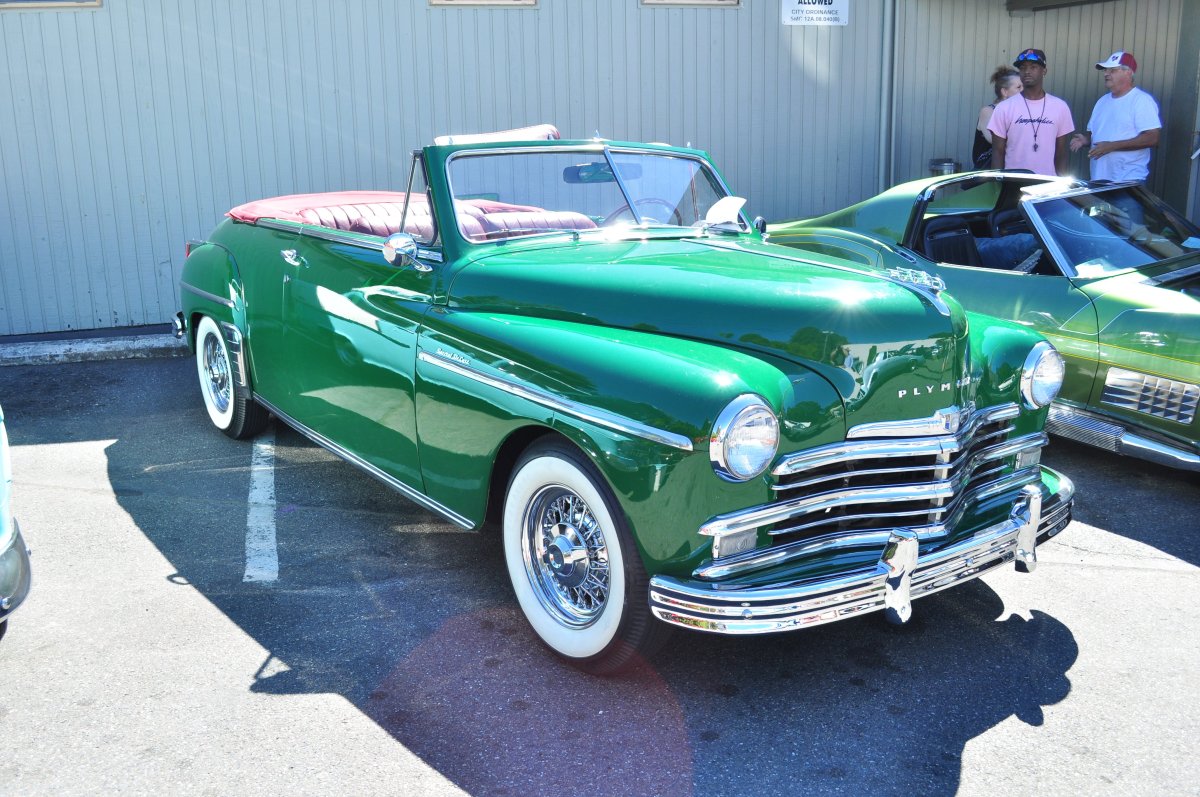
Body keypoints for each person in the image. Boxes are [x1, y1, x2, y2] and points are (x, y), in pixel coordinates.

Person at [1069, 51, 1161, 183]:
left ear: (1128, 72)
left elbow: (1153, 138)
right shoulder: (1102, 101)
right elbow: (1097, 135)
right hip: (1099, 179)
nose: (1106, 74)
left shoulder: (1141, 100)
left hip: (1128, 180)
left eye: (1112, 70)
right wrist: (1086, 140)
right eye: (1106, 70)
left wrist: (1112, 146)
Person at [988, 48, 1075, 175]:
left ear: (1044, 71)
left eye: (1033, 67)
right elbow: (997, 152)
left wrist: (1062, 188)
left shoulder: (1060, 107)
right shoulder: (1004, 108)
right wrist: (997, 187)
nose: (1027, 71)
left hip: (1048, 187)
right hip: (1013, 183)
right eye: (1022, 68)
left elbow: (1061, 153)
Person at [973, 66, 1022, 170]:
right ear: (1004, 92)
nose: (1024, 90)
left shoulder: (1021, 112)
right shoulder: (988, 111)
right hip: (988, 173)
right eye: (1018, 87)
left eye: (1024, 86)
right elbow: (996, 141)